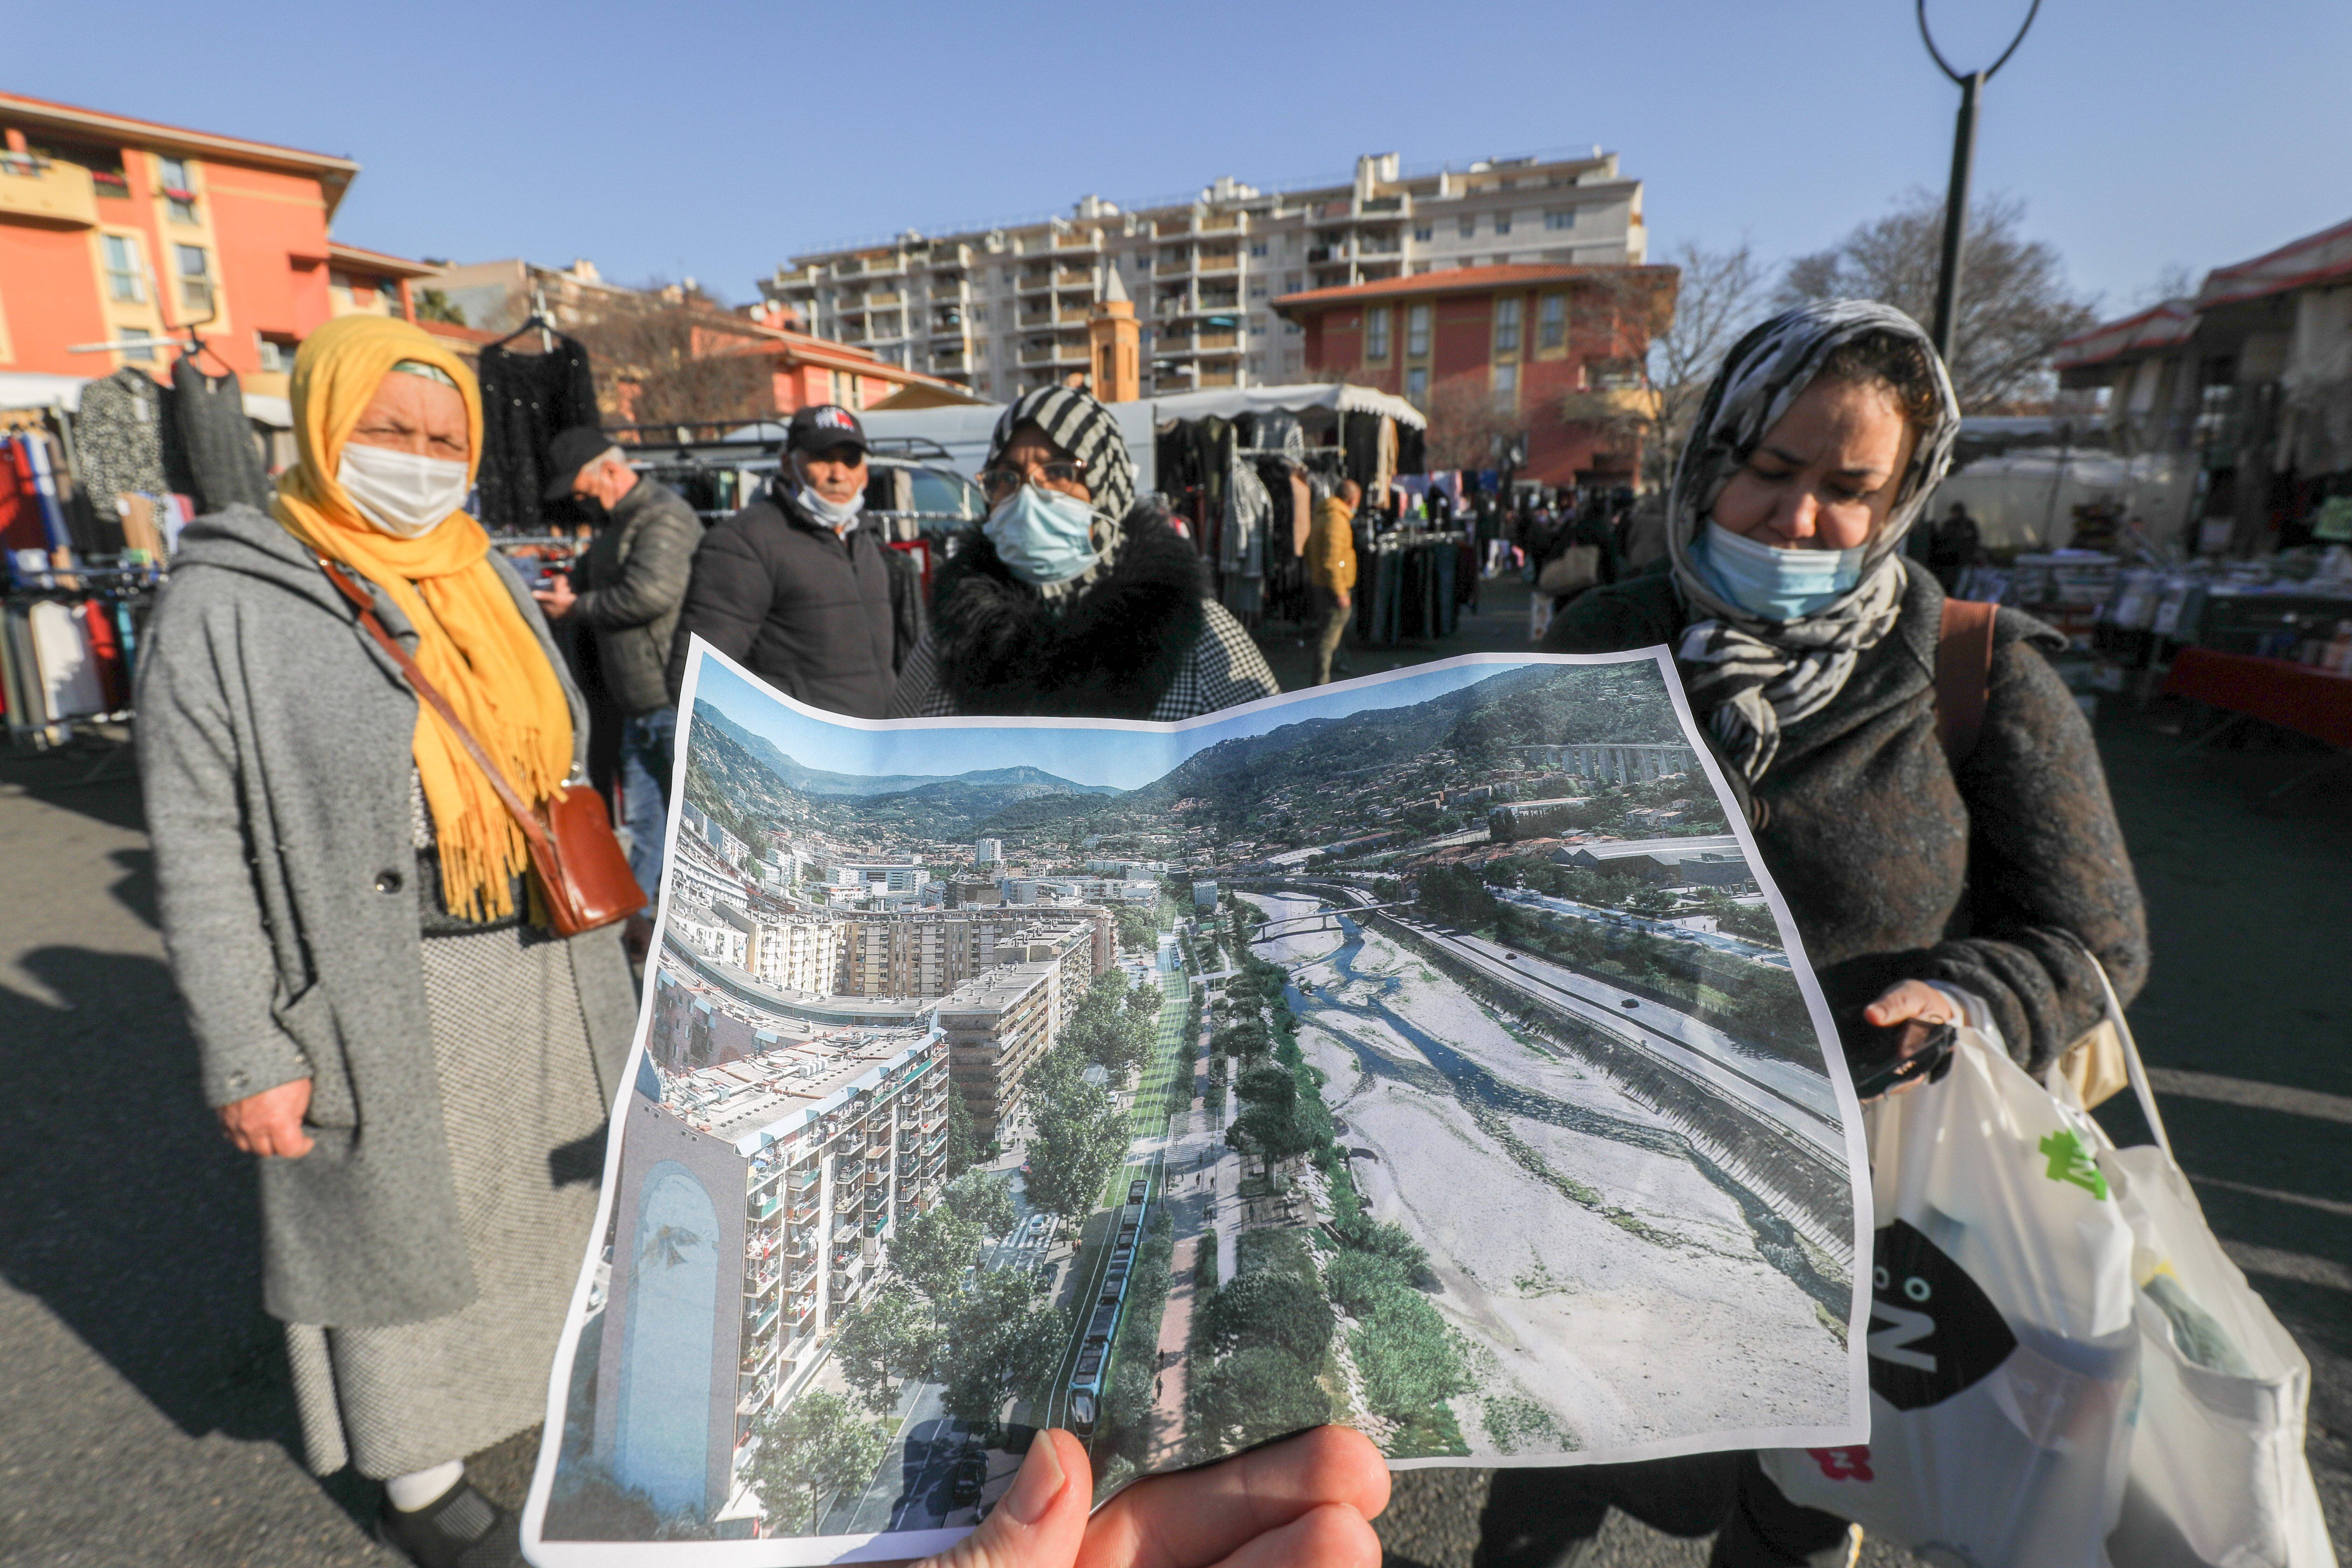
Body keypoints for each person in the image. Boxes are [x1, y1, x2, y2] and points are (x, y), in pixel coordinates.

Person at [1485, 300, 2149, 1568]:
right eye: (1770, 472)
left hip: (1853, 1202)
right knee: (1543, 1478)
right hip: (1603, 1171)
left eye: (1849, 489)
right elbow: (1488, 858)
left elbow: (2090, 939)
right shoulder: (1598, 644)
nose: (1797, 522)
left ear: (1902, 495)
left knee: (1787, 1512)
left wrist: (1972, 998)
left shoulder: (1975, 675)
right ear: (1707, 460)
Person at [136, 315, 639, 1567]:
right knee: (403, 1247)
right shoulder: (231, 598)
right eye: (387, 430)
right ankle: (415, 1479)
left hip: (539, 963)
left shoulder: (492, 574)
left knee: (541, 1222)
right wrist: (247, 1051)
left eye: (440, 437)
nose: (416, 459)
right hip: (380, 980)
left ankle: (539, 1411)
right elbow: (197, 846)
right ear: (322, 424)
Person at [891, 386, 1279, 718]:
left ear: (1109, 491)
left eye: (1059, 472)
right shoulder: (950, 637)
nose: (1028, 498)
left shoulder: (1201, 637)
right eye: (1006, 478)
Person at [531, 425, 700, 934]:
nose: (581, 501)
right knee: (648, 826)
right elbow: (605, 578)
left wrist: (575, 605)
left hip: (666, 698)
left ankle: (661, 927)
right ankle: (640, 925)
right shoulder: (620, 524)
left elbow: (649, 594)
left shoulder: (662, 517)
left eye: (583, 489)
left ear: (610, 470)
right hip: (638, 702)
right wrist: (573, 583)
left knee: (682, 827)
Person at [665, 402, 922, 717]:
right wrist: (797, 735)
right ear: (788, 465)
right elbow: (695, 680)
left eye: (851, 460)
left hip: (881, 754)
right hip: (807, 761)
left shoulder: (866, 540)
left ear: (865, 473)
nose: (838, 474)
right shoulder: (744, 541)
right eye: (822, 458)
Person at [1308, 478, 1360, 685]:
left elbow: (1309, 550)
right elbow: (1333, 560)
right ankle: (1321, 685)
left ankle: (1328, 678)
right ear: (1352, 499)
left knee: (1329, 636)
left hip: (1322, 584)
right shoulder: (1337, 520)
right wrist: (1340, 592)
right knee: (1328, 639)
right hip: (1332, 588)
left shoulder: (1323, 516)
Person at [1925, 498, 1982, 594]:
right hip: (1950, 562)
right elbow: (1943, 541)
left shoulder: (1968, 525)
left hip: (1962, 562)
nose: (1956, 515)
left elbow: (1974, 541)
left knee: (1961, 587)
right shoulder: (1949, 525)